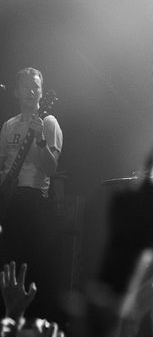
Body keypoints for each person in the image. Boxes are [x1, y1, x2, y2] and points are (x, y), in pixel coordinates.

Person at [0, 68, 63, 320]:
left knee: (32, 268)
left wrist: (38, 140)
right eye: (26, 86)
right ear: (16, 91)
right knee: (8, 265)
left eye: (36, 87)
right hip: (9, 201)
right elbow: (3, 164)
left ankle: (35, 323)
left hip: (35, 201)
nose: (31, 90)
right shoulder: (8, 125)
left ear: (41, 93)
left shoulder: (48, 122)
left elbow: (50, 168)